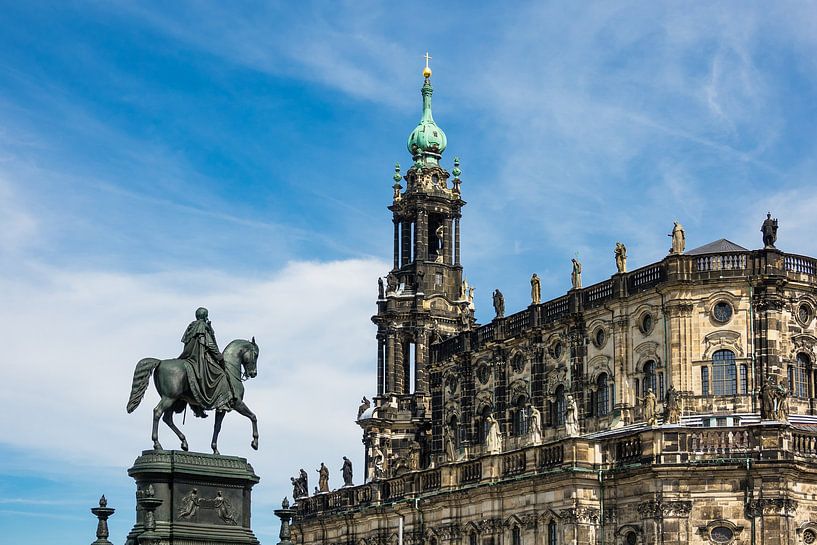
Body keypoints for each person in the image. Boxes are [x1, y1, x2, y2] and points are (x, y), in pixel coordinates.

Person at [179, 307, 232, 416]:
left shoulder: (191, 326)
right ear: (205, 316)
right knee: (221, 375)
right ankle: (222, 404)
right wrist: (218, 356)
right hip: (200, 358)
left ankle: (197, 408)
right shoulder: (202, 326)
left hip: (188, 356)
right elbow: (209, 343)